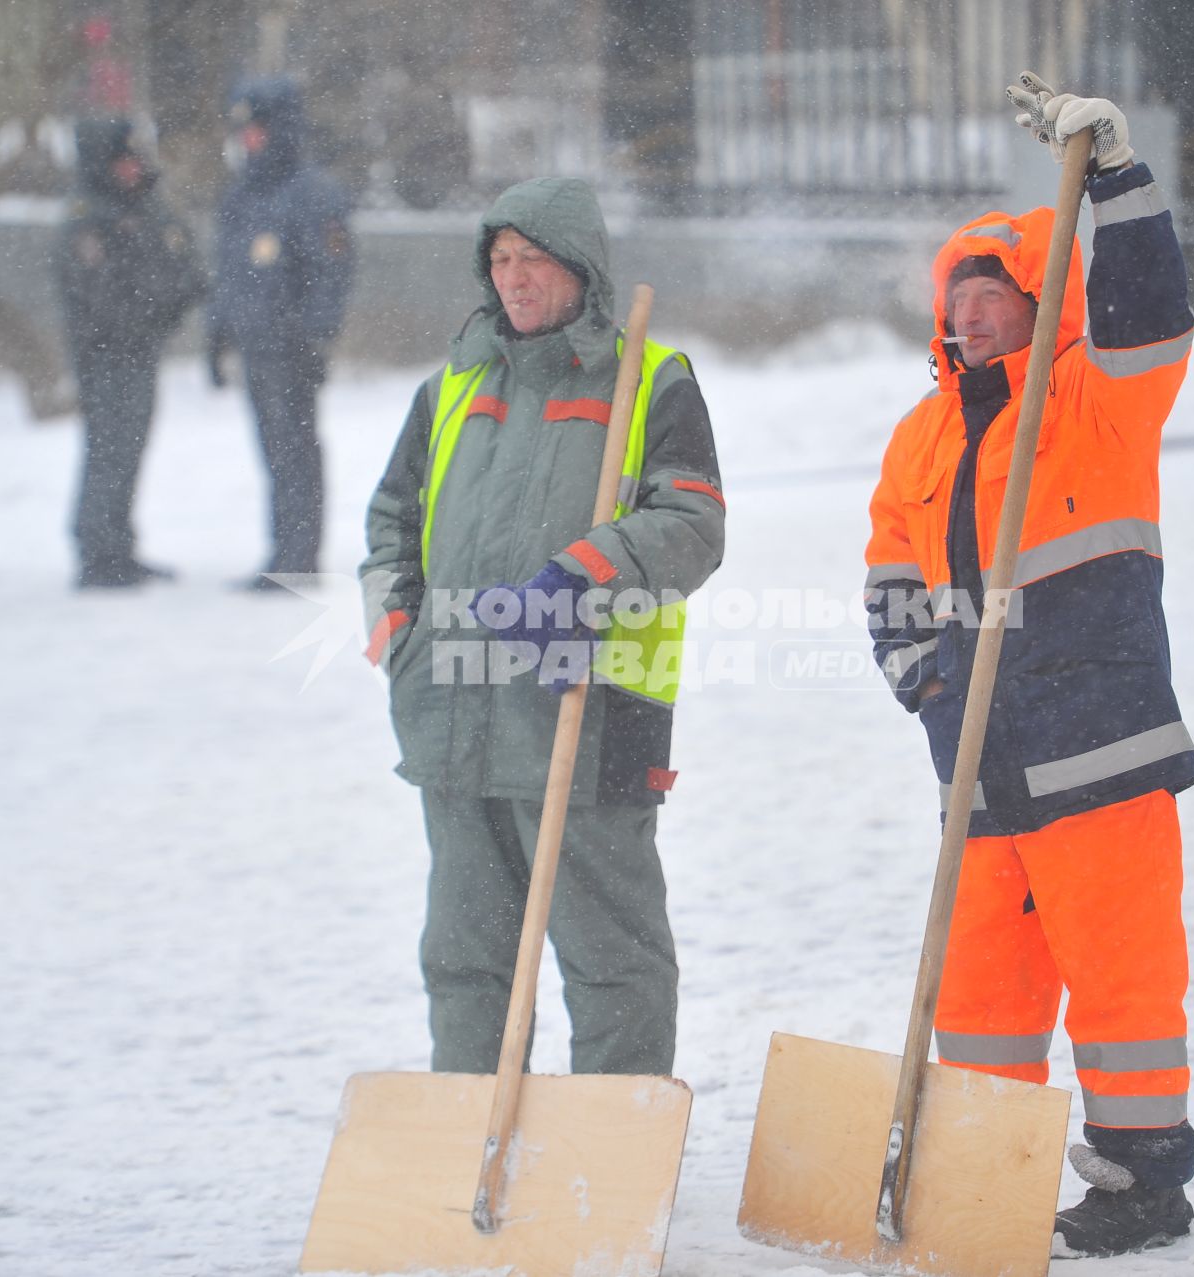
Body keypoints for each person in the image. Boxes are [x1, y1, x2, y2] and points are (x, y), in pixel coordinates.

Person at [865, 74, 1194, 1256]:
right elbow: (891, 575)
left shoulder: (1098, 403)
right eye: (955, 298)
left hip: (1100, 746)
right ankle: (981, 1169)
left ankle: (1143, 1179)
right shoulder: (926, 432)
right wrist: (927, 686)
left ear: (1039, 302)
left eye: (992, 294)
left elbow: (1150, 311)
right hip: (982, 762)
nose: (969, 314)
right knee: (982, 993)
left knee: (1123, 984)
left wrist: (1113, 174)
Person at [359, 177, 724, 1076]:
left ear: (581, 269)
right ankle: (469, 1133)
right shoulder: (454, 382)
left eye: (535, 260)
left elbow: (694, 523)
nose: (515, 279)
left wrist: (578, 579)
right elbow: (391, 519)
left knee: (611, 961)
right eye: (501, 259)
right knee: (464, 960)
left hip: (589, 715)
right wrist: (399, 625)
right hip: (452, 717)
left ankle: (611, 1157)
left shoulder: (650, 380)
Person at [208, 78, 356, 589]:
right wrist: (217, 332)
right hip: (256, 346)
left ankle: (297, 556)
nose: (249, 140)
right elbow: (228, 270)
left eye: (258, 129)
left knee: (296, 450)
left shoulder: (312, 193)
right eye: (244, 130)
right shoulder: (243, 194)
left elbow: (331, 270)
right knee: (272, 449)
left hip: (291, 347)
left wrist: (317, 335)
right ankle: (282, 548)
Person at [56, 118, 205, 590]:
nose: (133, 169)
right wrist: (153, 306)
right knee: (109, 449)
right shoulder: (89, 216)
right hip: (106, 353)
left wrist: (166, 304)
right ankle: (98, 551)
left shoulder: (144, 206)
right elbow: (102, 294)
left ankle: (117, 544)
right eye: (123, 160)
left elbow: (182, 263)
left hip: (139, 349)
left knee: (128, 447)